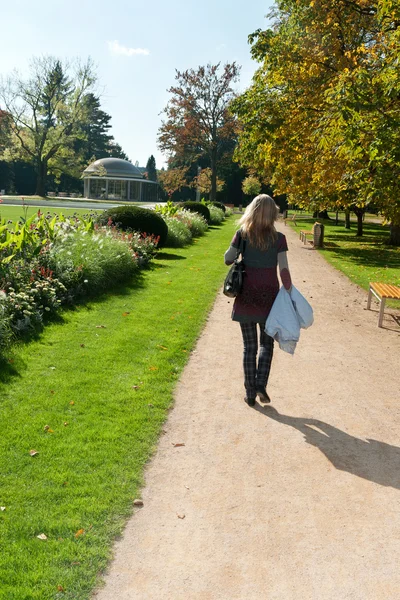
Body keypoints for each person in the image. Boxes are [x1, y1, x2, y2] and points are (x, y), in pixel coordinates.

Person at [224, 194, 292, 407]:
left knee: (249, 347)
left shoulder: (242, 235)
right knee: (266, 343)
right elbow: (284, 270)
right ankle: (261, 383)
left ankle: (250, 393)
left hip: (246, 294)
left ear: (251, 211)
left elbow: (228, 258)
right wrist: (289, 293)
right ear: (273, 214)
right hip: (269, 296)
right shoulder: (279, 239)